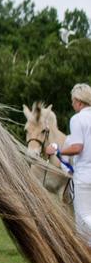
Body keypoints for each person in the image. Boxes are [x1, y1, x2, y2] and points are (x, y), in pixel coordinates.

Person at [46, 83, 91, 243]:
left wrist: (58, 151)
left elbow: (77, 147)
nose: (72, 104)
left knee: (82, 219)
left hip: (85, 176)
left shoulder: (77, 119)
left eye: (72, 101)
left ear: (78, 101)